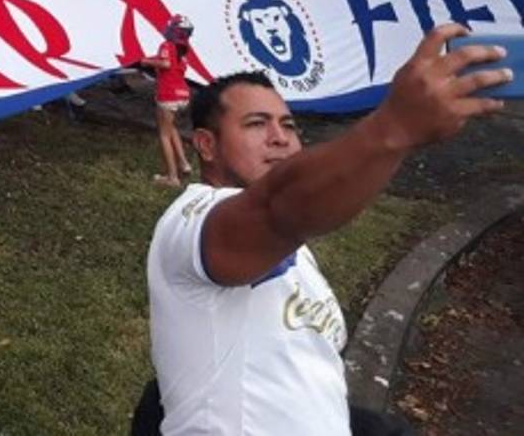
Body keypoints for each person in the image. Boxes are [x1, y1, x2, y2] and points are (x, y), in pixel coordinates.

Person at [146, 25, 508, 435]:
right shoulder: (190, 217)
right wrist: (395, 126)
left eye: (289, 124)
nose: (280, 138)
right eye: (256, 124)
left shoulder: (297, 253)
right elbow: (280, 207)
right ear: (206, 145)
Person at [141, 15, 194, 187]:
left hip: (168, 94)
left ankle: (172, 177)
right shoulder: (184, 50)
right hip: (183, 93)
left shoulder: (167, 45)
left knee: (164, 134)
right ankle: (184, 164)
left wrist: (145, 61)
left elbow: (165, 64)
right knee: (172, 128)